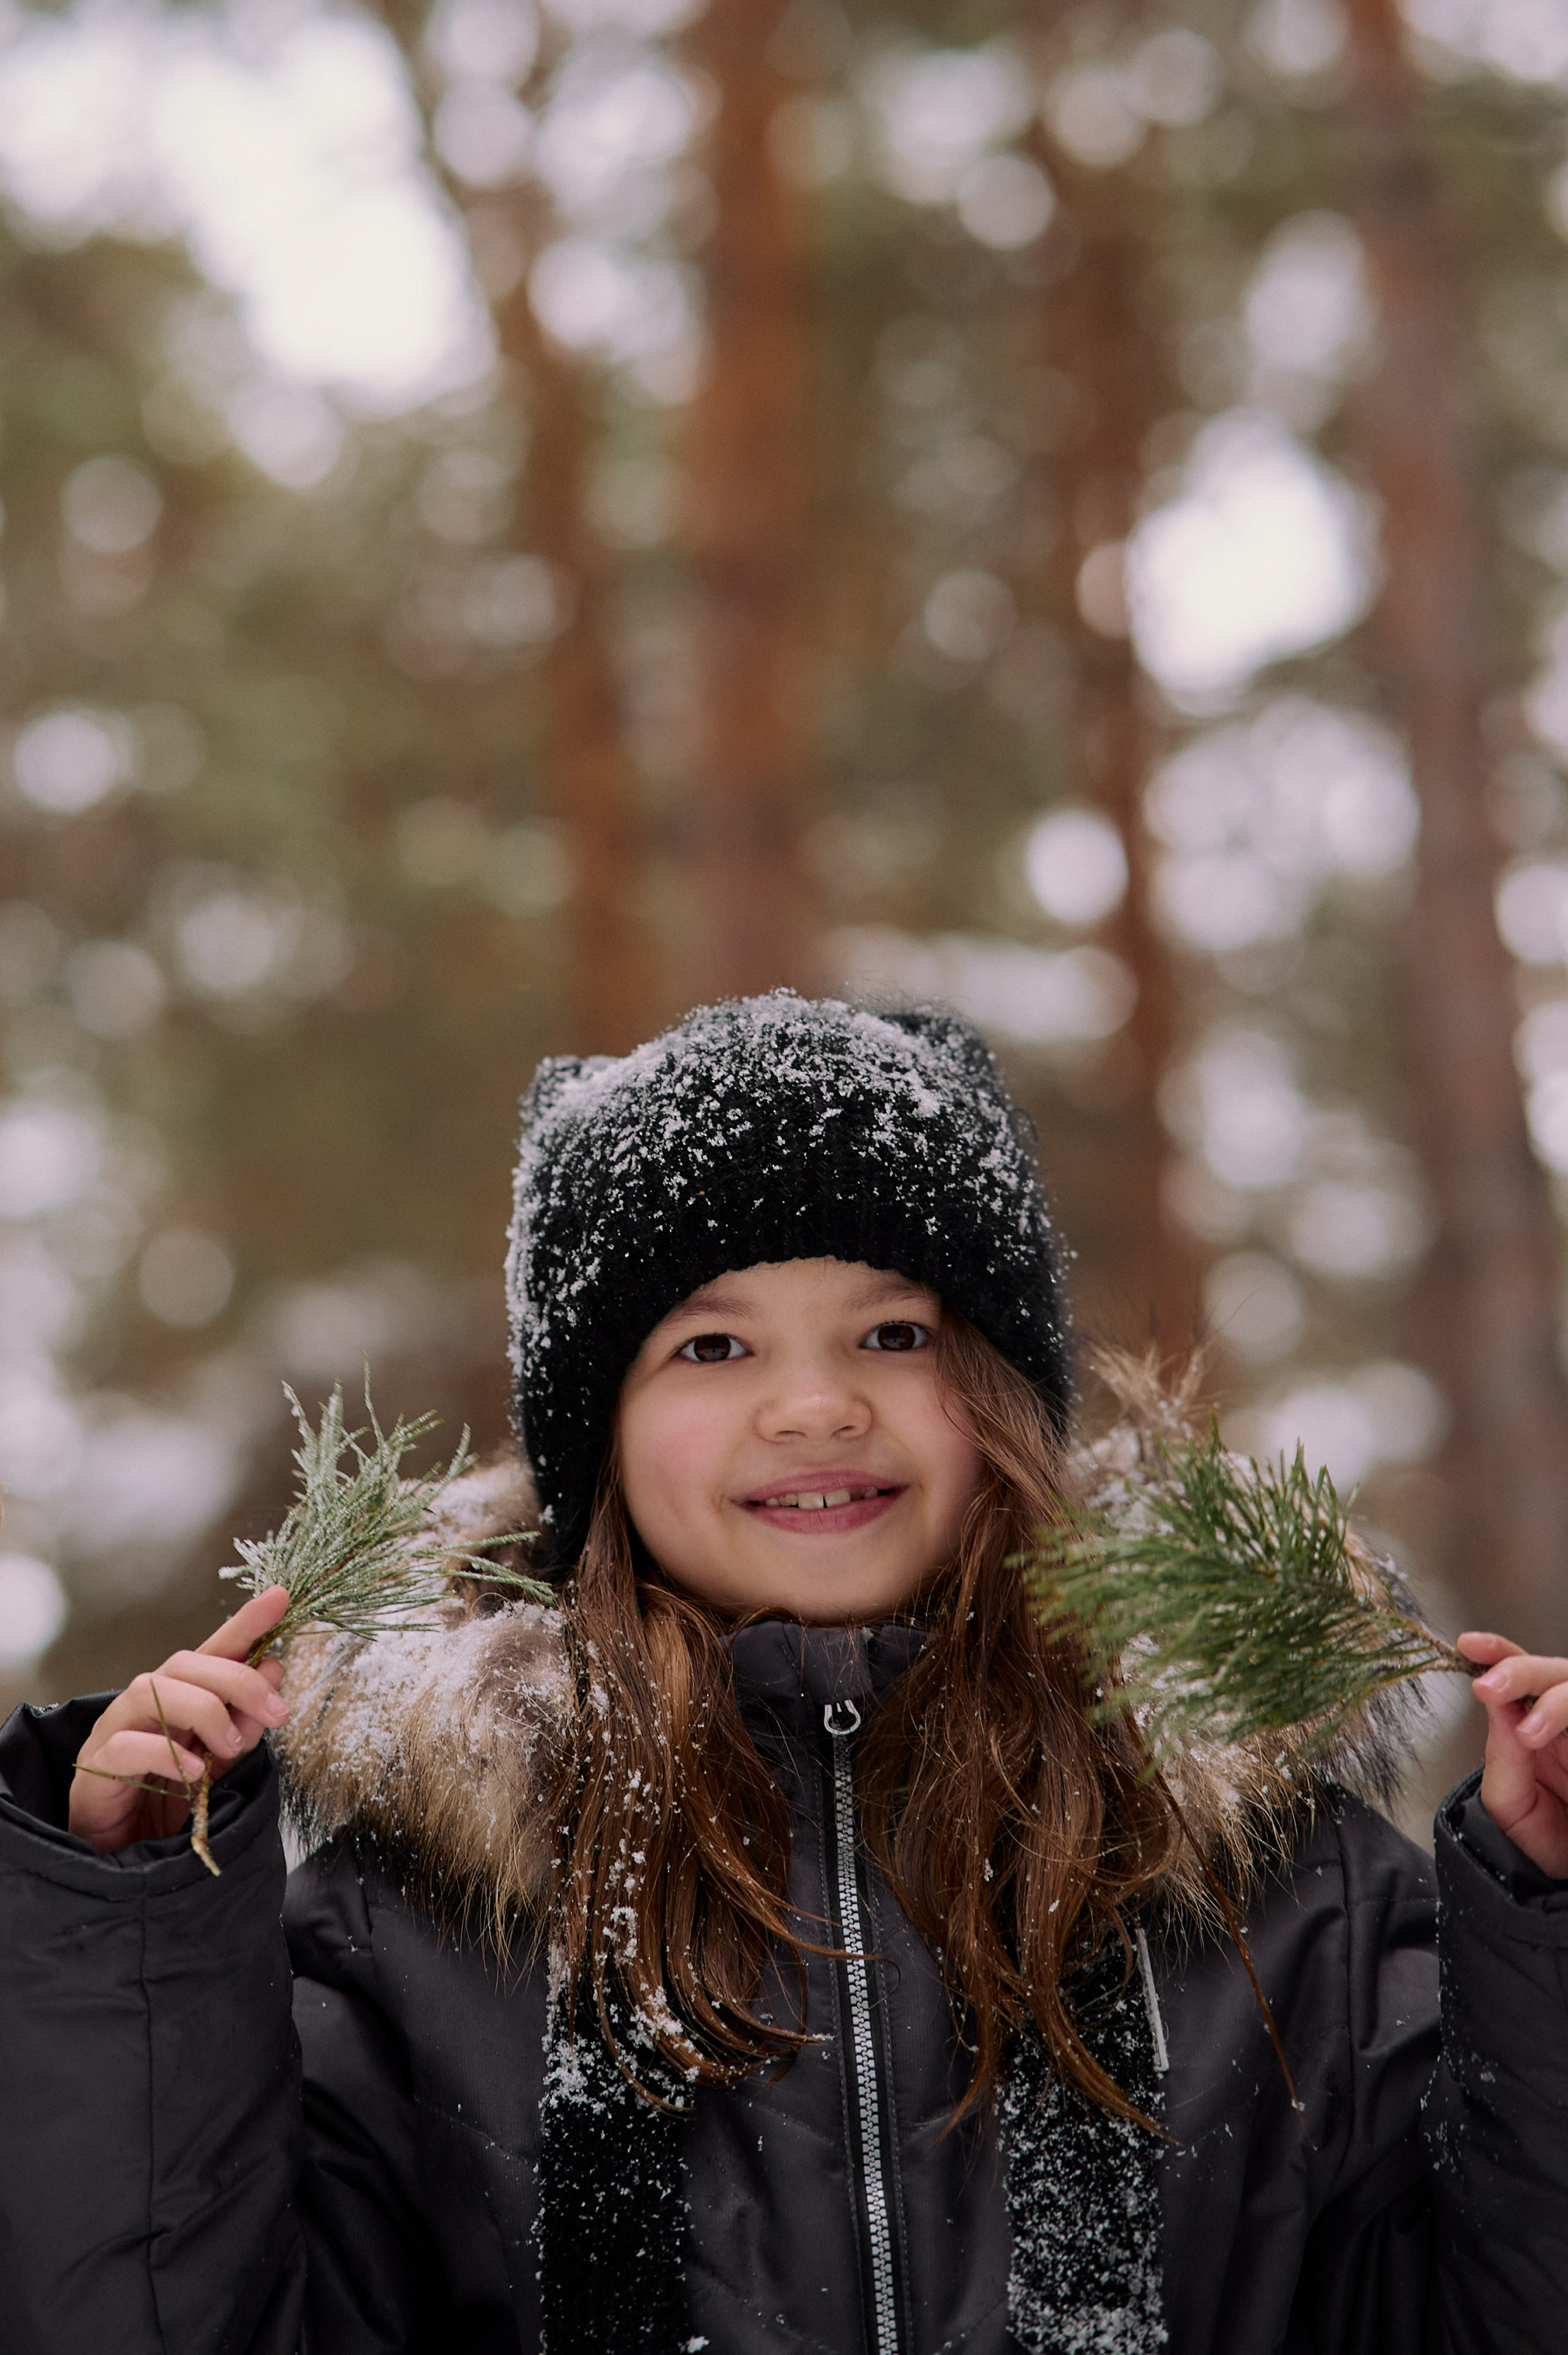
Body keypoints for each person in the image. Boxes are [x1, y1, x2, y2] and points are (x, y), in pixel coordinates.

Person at [2, 992, 1567, 2355]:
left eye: (891, 1330)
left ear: (1000, 1394)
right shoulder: (422, 1915)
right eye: (713, 1344)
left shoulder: (1275, 1887)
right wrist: (134, 1931)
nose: (815, 1405)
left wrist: (1551, 1926)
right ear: (592, 1436)